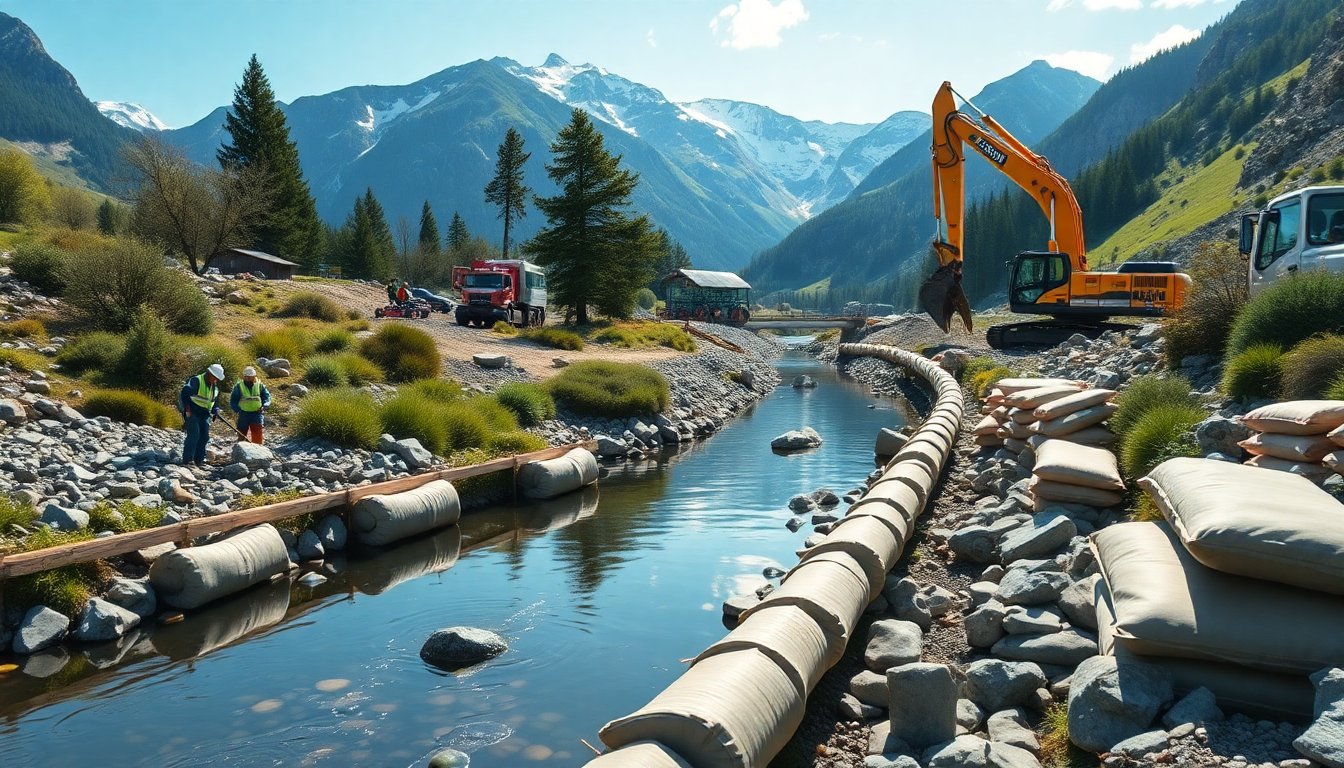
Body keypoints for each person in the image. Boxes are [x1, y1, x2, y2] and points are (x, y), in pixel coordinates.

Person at [178, 363, 224, 467]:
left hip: (204, 413)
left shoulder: (215, 388)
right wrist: (187, 409)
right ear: (209, 373)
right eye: (214, 377)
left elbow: (214, 401)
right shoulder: (196, 381)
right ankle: (187, 460)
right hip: (192, 411)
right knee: (194, 434)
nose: (215, 380)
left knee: (204, 436)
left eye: (217, 378)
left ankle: (198, 460)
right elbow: (184, 394)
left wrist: (216, 409)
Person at [230, 366, 272, 445]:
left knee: (257, 434)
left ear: (254, 377)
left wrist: (265, 404)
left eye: (249, 377)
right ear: (243, 377)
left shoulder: (260, 386)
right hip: (243, 414)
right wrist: (237, 410)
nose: (247, 379)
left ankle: (258, 451)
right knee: (242, 434)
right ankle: (241, 452)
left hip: (257, 413)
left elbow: (267, 397)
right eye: (246, 377)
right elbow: (233, 400)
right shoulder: (239, 386)